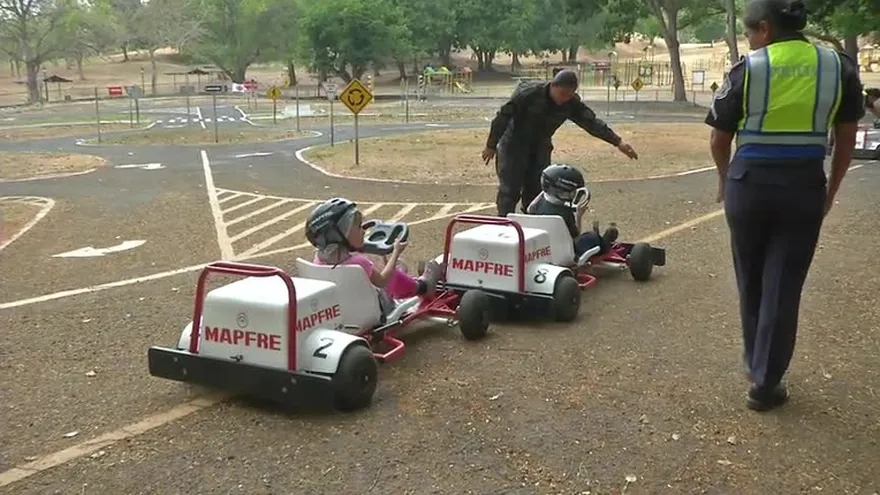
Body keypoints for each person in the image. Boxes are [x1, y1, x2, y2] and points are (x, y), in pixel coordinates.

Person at [705, 0, 863, 411]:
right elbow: (846, 138)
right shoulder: (838, 68)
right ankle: (765, 380)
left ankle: (753, 360)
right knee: (784, 283)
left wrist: (726, 178)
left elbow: (719, 138)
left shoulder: (749, 68)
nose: (749, 41)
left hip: (749, 185)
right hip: (803, 185)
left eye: (749, 33)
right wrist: (831, 190)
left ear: (765, 30)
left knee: (750, 277)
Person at [480, 69, 639, 217]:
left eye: (569, 95)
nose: (564, 99)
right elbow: (503, 117)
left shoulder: (571, 103)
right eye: (562, 93)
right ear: (553, 86)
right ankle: (504, 226)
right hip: (514, 145)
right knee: (510, 190)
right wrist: (491, 145)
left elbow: (591, 123)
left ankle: (532, 228)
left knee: (536, 191)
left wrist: (618, 142)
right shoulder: (529, 94)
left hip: (541, 145)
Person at [305, 198, 444, 311]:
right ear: (342, 234)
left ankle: (401, 271)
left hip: (343, 307)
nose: (364, 231)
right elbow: (383, 281)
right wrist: (396, 252)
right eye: (359, 227)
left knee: (392, 270)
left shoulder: (318, 259)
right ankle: (423, 285)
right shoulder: (359, 263)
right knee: (392, 275)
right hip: (378, 308)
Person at [526, 164, 618, 259]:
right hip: (564, 253)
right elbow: (575, 236)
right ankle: (606, 242)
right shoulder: (564, 213)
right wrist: (579, 215)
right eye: (572, 192)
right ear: (562, 191)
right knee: (591, 237)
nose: (574, 195)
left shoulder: (536, 205)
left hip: (540, 249)